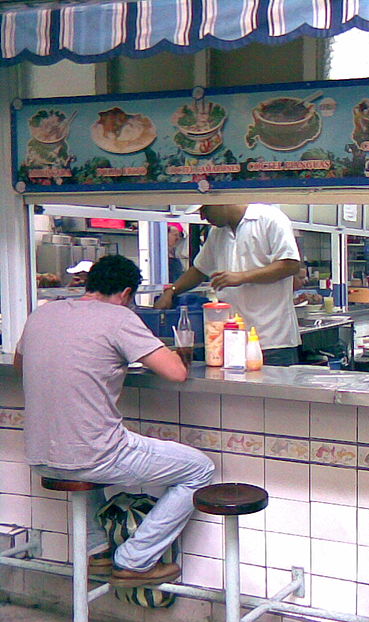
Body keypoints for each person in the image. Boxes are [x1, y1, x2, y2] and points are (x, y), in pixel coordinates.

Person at [14, 255, 214, 587]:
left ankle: (98, 551)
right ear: (125, 293)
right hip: (95, 457)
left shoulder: (43, 313)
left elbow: (22, 366)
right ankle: (134, 560)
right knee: (198, 469)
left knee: (84, 452)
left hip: (39, 456)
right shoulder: (119, 318)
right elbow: (177, 373)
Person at [155, 203, 302, 366]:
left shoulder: (269, 219)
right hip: (232, 341)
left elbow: (290, 264)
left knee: (273, 390)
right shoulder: (217, 233)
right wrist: (172, 291)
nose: (203, 217)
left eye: (205, 210)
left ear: (222, 201)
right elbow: (199, 269)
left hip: (272, 341)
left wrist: (242, 277)